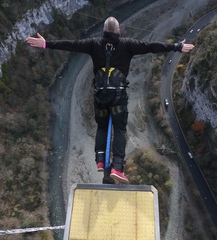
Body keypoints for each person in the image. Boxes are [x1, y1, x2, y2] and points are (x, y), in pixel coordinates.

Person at [26, 16, 194, 184]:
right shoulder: (128, 44)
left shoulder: (93, 43)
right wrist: (177, 46)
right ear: (118, 31)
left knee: (102, 127)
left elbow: (72, 44)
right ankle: (117, 167)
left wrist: (46, 43)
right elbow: (151, 47)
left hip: (100, 95)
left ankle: (100, 159)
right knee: (119, 129)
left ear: (104, 31)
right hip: (118, 96)